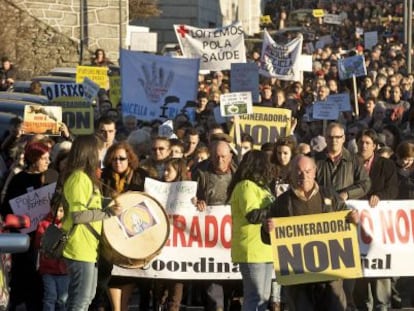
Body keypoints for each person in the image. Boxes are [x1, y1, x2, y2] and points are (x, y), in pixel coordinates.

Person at [263, 155, 353, 310]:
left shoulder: (329, 195)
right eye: (298, 171)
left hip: (330, 274)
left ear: (315, 172)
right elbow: (268, 238)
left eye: (307, 171)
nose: (303, 176)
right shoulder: (282, 203)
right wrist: (266, 230)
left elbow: (347, 218)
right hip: (298, 277)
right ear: (290, 174)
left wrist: (353, 219)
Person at [60, 134, 121, 311]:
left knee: (85, 298)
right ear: (90, 153)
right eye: (99, 151)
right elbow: (79, 215)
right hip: (79, 247)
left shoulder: (86, 178)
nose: (100, 156)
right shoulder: (79, 178)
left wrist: (108, 201)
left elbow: (90, 204)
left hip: (88, 246)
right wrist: (108, 212)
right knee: (81, 300)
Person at [1, 141, 58, 310]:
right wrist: (22, 219)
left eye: (49, 158)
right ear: (34, 159)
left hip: (46, 237)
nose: (48, 162)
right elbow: (6, 209)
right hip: (25, 240)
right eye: (44, 158)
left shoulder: (52, 177)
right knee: (24, 276)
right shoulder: (19, 180)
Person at [93, 141, 147, 311]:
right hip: (109, 235)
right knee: (110, 275)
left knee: (127, 274)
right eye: (114, 159)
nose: (118, 162)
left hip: (133, 233)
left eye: (122, 158)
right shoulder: (103, 177)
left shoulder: (142, 176)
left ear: (129, 159)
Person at [353, 129, 398, 311]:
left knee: (379, 269)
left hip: (379, 227)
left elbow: (393, 189)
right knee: (361, 270)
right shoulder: (351, 163)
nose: (363, 146)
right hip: (356, 226)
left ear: (375, 146)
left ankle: (382, 305)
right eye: (361, 142)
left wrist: (380, 195)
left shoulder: (386, 165)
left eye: (367, 143)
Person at [228, 150, 275, 311]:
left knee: (263, 298)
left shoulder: (263, 187)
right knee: (254, 296)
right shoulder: (245, 186)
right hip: (252, 249)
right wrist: (275, 208)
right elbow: (253, 215)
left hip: (266, 249)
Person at [34, 206, 70, 311]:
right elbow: (38, 244)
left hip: (64, 270)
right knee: (50, 297)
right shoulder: (44, 224)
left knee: (63, 299)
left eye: (61, 211)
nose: (58, 213)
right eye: (55, 210)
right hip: (48, 269)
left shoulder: (68, 225)